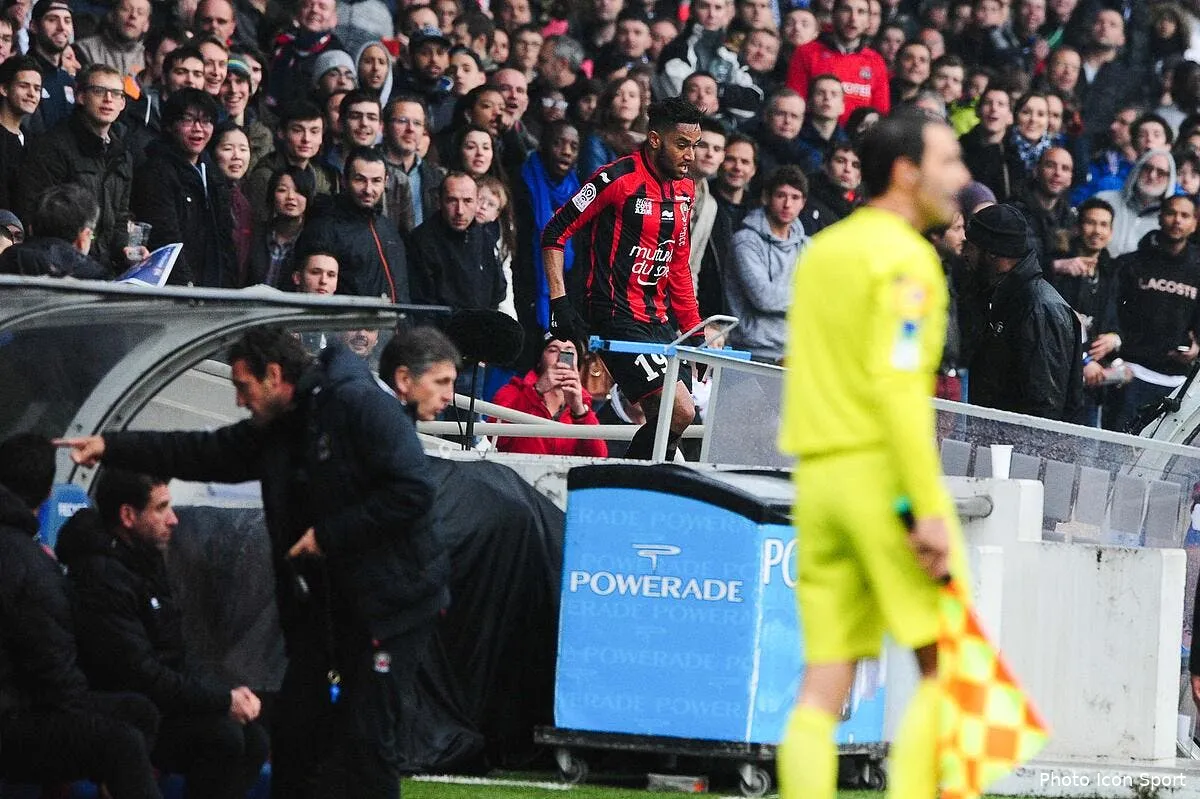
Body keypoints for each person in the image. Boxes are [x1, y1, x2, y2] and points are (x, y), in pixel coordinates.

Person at [58, 326, 451, 799]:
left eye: (243, 387)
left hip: (392, 605)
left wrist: (327, 535)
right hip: (327, 606)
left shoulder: (358, 405)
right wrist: (113, 446)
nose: (240, 401)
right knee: (297, 731)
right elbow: (202, 452)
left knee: (366, 739)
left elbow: (413, 492)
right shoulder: (281, 426)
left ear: (275, 375)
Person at [776, 111, 973, 799]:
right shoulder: (908, 260)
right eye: (950, 162)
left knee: (824, 678)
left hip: (818, 478)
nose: (964, 178)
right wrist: (925, 505)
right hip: (879, 479)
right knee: (948, 661)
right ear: (907, 171)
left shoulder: (824, 250)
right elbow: (895, 389)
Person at [56, 470, 270, 799]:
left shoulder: (145, 561)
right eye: (161, 508)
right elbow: (138, 672)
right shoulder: (101, 577)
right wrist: (220, 700)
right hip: (126, 708)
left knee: (255, 739)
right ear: (128, 516)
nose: (173, 520)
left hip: (158, 699)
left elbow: (175, 651)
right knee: (222, 738)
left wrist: (227, 692)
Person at [541, 97, 705, 462]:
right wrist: (559, 301)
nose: (690, 155)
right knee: (679, 412)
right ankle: (631, 484)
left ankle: (641, 491)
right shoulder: (614, 178)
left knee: (667, 420)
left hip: (661, 321)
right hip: (615, 315)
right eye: (682, 145)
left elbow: (678, 265)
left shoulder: (685, 191)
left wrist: (696, 330)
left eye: (695, 146)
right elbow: (554, 232)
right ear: (655, 140)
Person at [0, 434, 162, 799]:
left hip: (14, 702)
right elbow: (54, 673)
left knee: (134, 713)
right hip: (11, 719)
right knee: (122, 738)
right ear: (45, 496)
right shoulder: (31, 564)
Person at [965, 203, 1083, 420]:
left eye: (970, 246)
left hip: (1019, 447)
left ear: (991, 254)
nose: (965, 253)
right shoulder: (1000, 295)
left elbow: (1044, 405)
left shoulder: (1040, 308)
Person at [18, 63, 134, 275]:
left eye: (116, 93)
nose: (108, 99)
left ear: (123, 103)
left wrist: (124, 249)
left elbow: (119, 218)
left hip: (103, 269)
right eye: (99, 91)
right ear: (80, 96)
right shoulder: (53, 146)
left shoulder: (122, 154)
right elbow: (34, 212)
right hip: (59, 270)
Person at [1105, 195, 1200, 433]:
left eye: (1185, 215)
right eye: (1171, 213)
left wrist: (1197, 346)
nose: (1177, 220)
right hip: (1133, 373)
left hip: (1178, 383)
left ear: (1194, 223)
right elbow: (1112, 313)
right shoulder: (1131, 264)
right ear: (1159, 217)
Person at [131, 88, 237, 287]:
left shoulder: (212, 173)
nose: (198, 128)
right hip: (178, 292)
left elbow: (225, 239)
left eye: (206, 121)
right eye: (188, 120)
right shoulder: (156, 171)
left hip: (213, 289)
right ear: (170, 125)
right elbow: (166, 237)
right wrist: (186, 286)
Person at [298, 146, 409, 301]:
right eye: (360, 180)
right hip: (349, 323)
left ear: (386, 182)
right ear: (344, 181)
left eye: (376, 181)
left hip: (394, 322)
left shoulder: (388, 228)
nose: (368, 189)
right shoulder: (325, 228)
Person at [725, 165, 809, 364]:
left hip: (795, 353)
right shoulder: (745, 241)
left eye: (795, 197)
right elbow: (764, 297)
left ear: (803, 203)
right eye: (781, 195)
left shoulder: (807, 246)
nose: (787, 204)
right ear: (767, 197)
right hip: (750, 352)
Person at [490, 335, 608, 456]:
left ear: (577, 364)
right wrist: (535, 392)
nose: (561, 358)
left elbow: (598, 456)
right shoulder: (513, 391)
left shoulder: (584, 403)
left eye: (569, 351)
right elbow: (496, 437)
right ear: (539, 361)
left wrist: (579, 411)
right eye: (553, 350)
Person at [409, 171, 505, 310]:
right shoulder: (421, 241)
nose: (460, 210)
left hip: (482, 326)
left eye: (467, 201)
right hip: (441, 328)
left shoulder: (484, 237)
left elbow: (498, 291)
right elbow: (423, 304)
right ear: (439, 201)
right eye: (452, 200)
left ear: (477, 202)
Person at [786, 0, 889, 126]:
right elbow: (794, 105)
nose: (853, 18)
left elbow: (881, 113)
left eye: (861, 12)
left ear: (868, 21)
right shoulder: (806, 53)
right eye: (846, 9)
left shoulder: (876, 61)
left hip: (859, 141)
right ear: (833, 15)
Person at [0, 183, 109, 278]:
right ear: (84, 237)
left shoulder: (7, 261)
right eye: (91, 236)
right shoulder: (95, 277)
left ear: (30, 229)